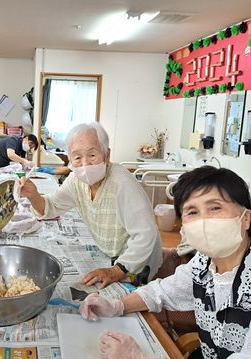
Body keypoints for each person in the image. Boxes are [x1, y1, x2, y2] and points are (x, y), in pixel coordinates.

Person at [79, 166, 251, 359]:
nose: (204, 221)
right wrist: (116, 306)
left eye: (215, 208)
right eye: (192, 212)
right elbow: (162, 292)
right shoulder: (204, 262)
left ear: (245, 219)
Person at [21, 122, 162, 288]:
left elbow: (145, 235)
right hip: (111, 255)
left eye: (92, 155)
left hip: (138, 261)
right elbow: (51, 206)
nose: (85, 164)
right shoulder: (75, 180)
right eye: (78, 157)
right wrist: (33, 196)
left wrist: (117, 270)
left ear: (106, 155)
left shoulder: (122, 184)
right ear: (71, 160)